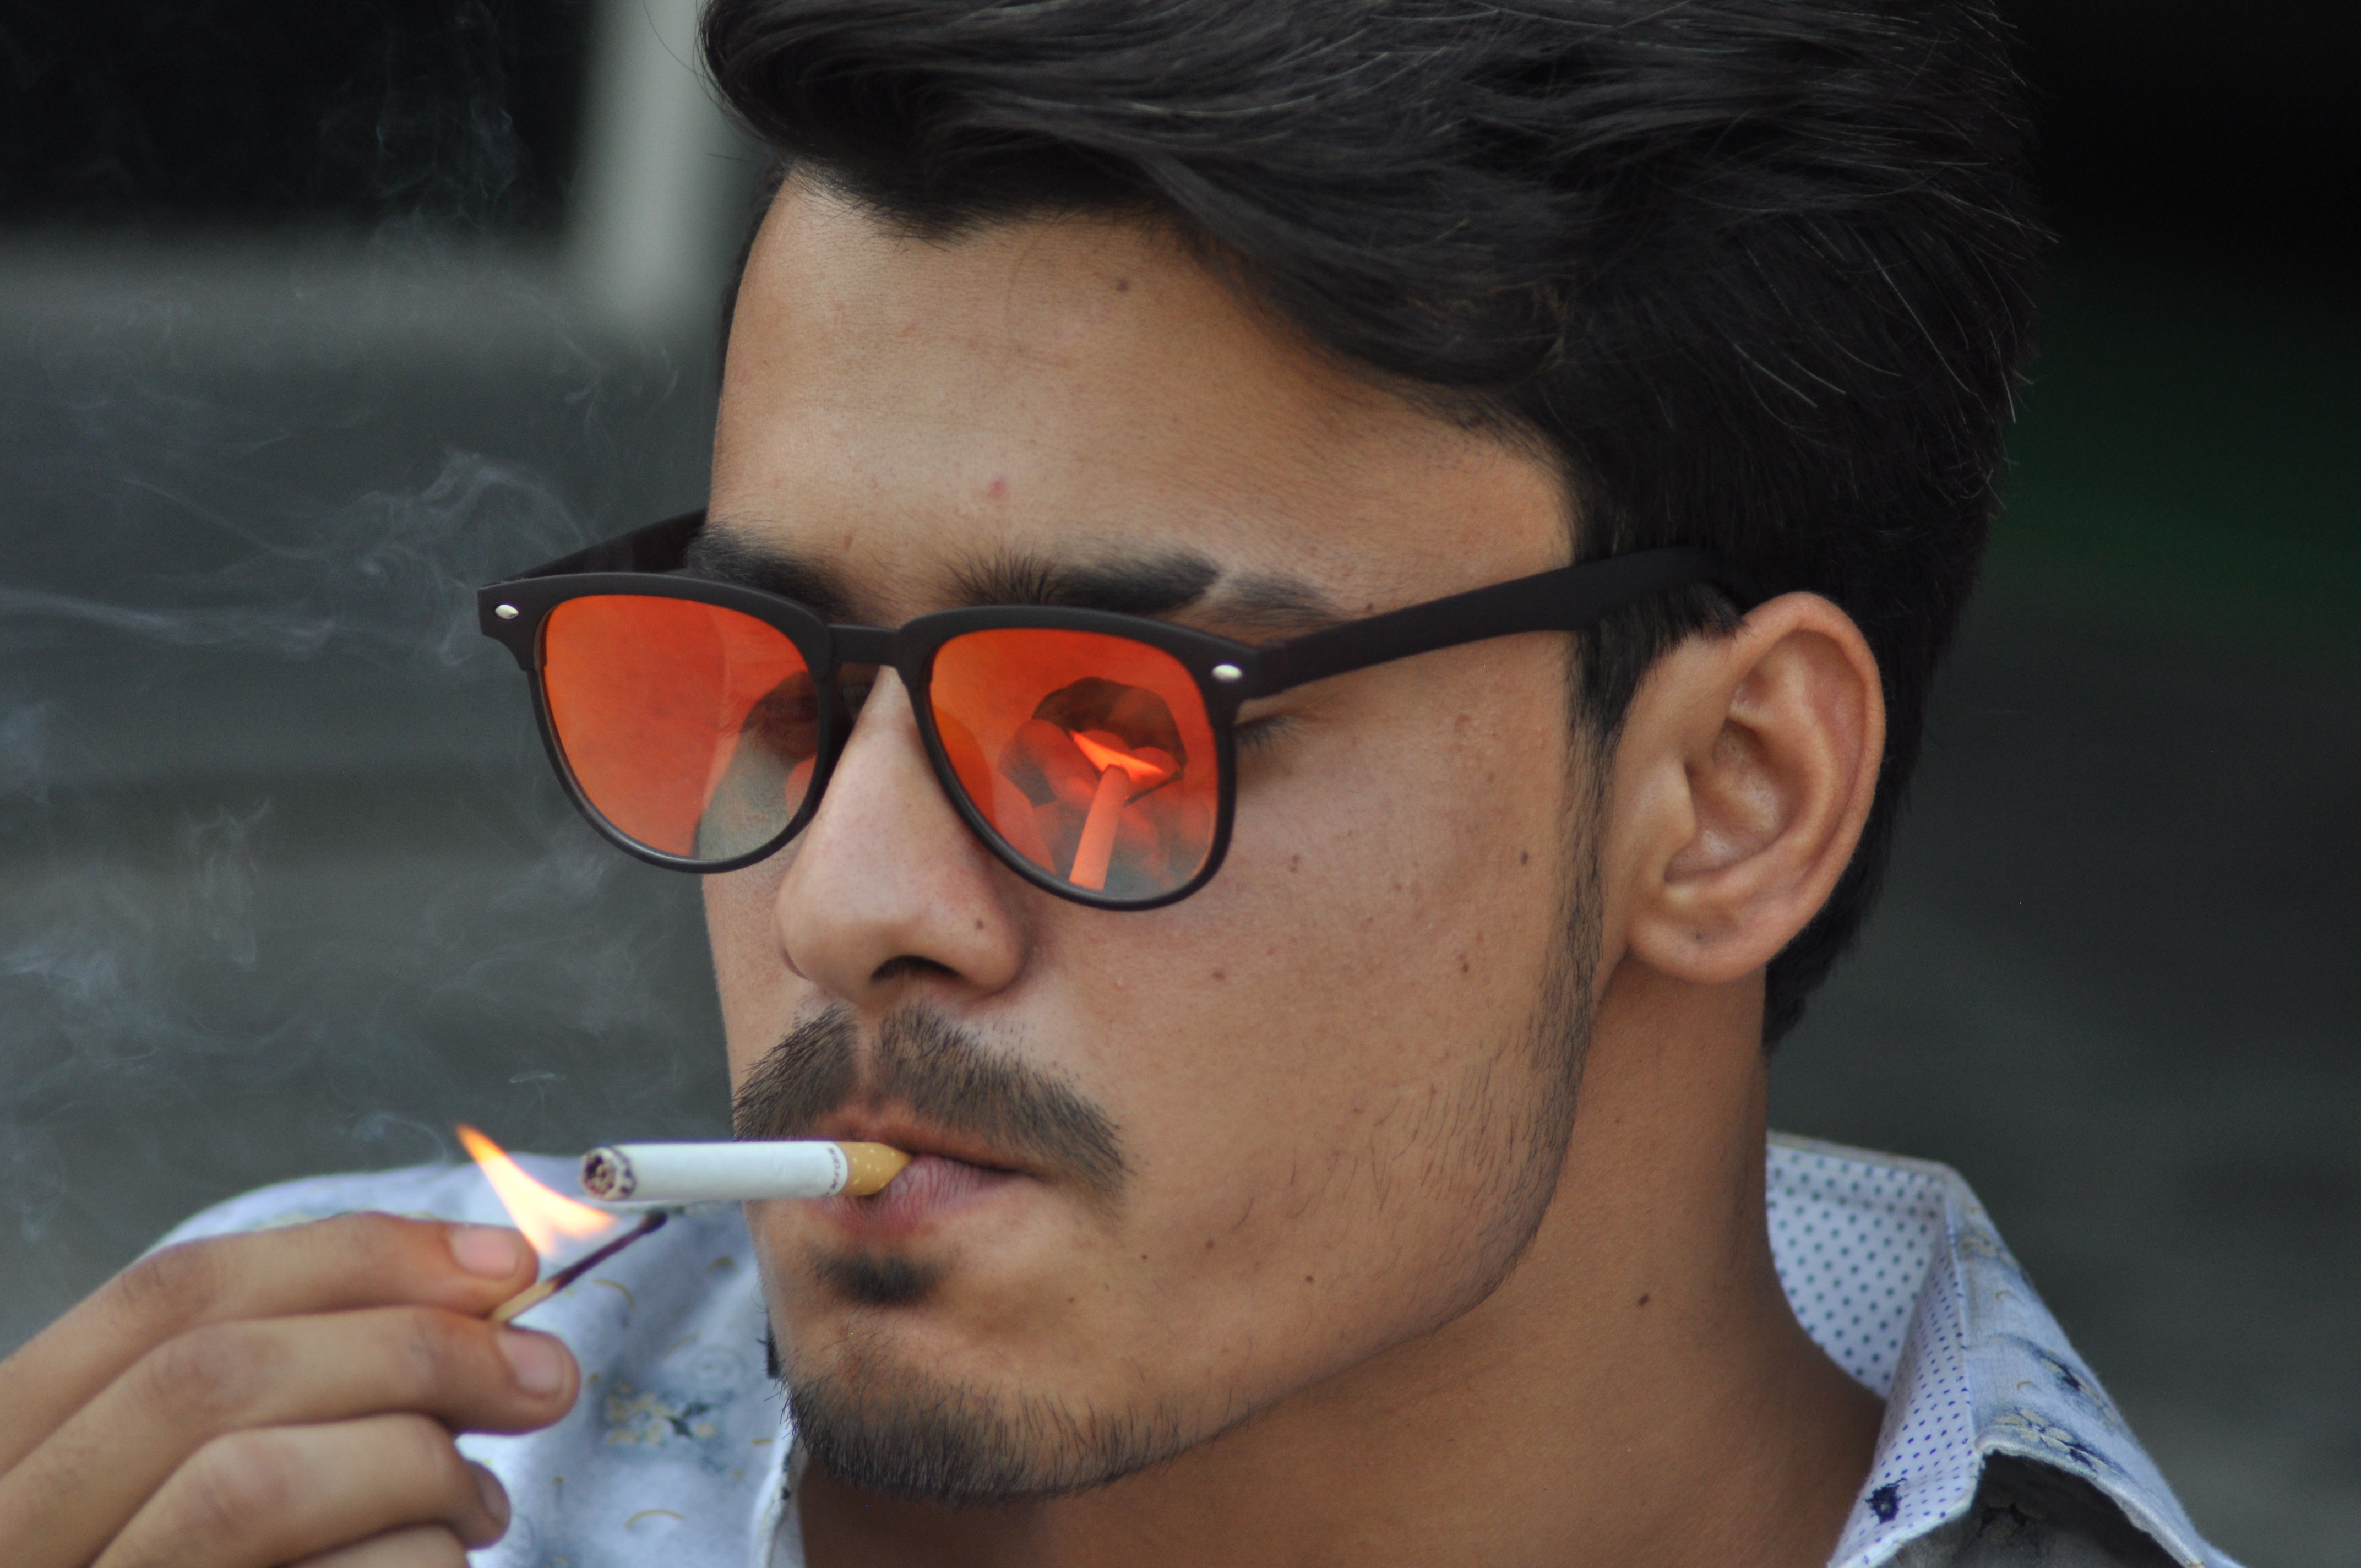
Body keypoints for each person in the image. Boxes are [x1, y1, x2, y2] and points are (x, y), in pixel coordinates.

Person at [0, 1, 2238, 1565]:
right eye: (783, 689)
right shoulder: (298, 1456)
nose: (845, 902)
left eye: (1108, 727)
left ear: (1733, 795)